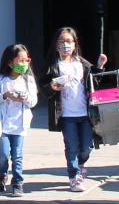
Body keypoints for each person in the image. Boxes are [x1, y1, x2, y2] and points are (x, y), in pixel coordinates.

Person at [42, 27, 107, 192]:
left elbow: (95, 81)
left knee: (86, 146)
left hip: (85, 113)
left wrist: (99, 66)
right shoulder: (53, 66)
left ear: (75, 44)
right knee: (71, 146)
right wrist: (51, 87)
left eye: (69, 41)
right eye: (62, 42)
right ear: (56, 46)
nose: (65, 45)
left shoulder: (82, 64)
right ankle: (74, 177)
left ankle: (80, 164)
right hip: (66, 115)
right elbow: (44, 88)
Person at [0, 43, 38, 197]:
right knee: (4, 155)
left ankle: (18, 182)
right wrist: (5, 95)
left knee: (18, 155)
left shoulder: (28, 80)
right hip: (3, 126)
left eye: (26, 60)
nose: (24, 64)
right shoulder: (0, 80)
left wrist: (25, 98)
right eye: (20, 61)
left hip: (20, 126)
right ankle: (1, 176)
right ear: (10, 62)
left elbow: (33, 102)